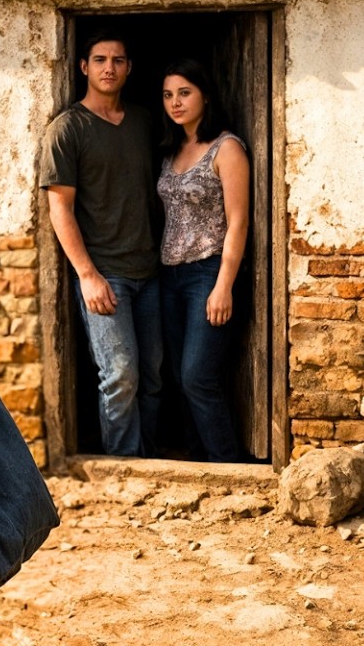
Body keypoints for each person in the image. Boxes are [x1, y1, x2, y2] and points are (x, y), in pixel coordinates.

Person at [39, 32, 162, 458]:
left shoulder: (145, 121)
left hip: (150, 271)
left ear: (129, 68)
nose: (109, 67)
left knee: (154, 377)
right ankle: (123, 466)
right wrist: (87, 276)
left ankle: (150, 459)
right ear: (84, 67)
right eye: (100, 59)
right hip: (104, 273)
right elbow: (61, 208)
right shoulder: (67, 129)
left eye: (118, 59)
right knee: (120, 374)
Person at [155, 58, 248, 463]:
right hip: (169, 275)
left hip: (208, 273)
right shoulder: (171, 148)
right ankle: (198, 461)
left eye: (184, 93)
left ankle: (228, 464)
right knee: (178, 377)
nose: (175, 102)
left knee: (198, 377)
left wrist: (223, 284)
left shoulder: (226, 148)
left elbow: (239, 221)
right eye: (168, 95)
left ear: (205, 95)